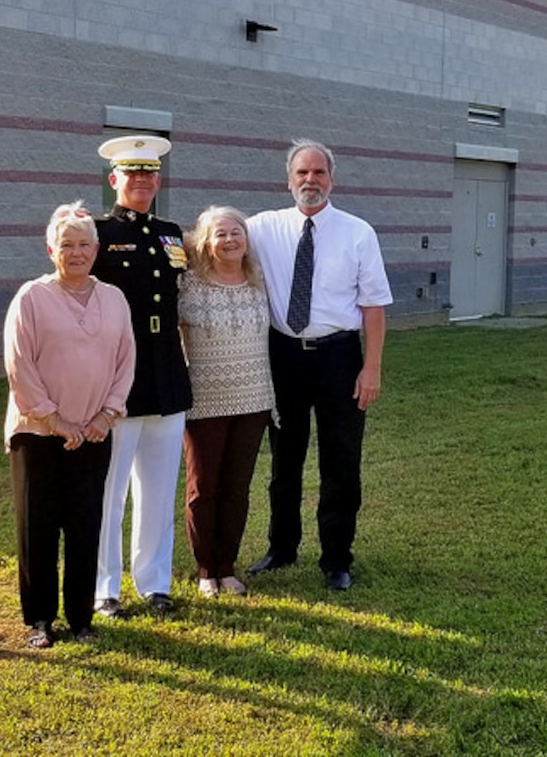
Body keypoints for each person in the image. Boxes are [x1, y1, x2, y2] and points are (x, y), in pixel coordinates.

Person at [246, 139, 393, 591]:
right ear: (288, 180)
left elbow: (373, 308)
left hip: (339, 358)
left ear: (332, 179)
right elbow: (216, 241)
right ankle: (281, 547)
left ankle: (336, 558)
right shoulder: (260, 228)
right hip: (283, 355)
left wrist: (371, 369)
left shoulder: (358, 233)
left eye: (319, 173)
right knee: (284, 462)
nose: (310, 181)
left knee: (341, 461)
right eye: (302, 173)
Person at [3, 200, 136, 647]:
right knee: (38, 527)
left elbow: (125, 362)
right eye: (66, 245)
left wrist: (106, 414)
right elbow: (19, 365)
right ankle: (39, 620)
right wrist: (55, 419)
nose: (76, 252)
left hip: (95, 433)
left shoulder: (114, 298)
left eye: (83, 244)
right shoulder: (32, 298)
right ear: (50, 250)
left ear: (96, 250)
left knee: (85, 525)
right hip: (38, 435)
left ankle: (82, 618)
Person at [92, 135, 192, 618]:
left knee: (157, 490)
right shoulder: (96, 233)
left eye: (149, 173)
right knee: (109, 491)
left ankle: (153, 582)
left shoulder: (172, 233)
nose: (142, 181)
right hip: (118, 377)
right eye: (132, 174)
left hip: (167, 373)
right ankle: (104, 589)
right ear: (115, 180)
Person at [178, 206, 275, 599]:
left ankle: (227, 566)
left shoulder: (260, 282)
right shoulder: (188, 285)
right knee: (204, 488)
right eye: (220, 233)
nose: (230, 240)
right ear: (205, 241)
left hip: (254, 398)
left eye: (237, 232)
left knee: (237, 487)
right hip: (203, 401)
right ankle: (205, 569)